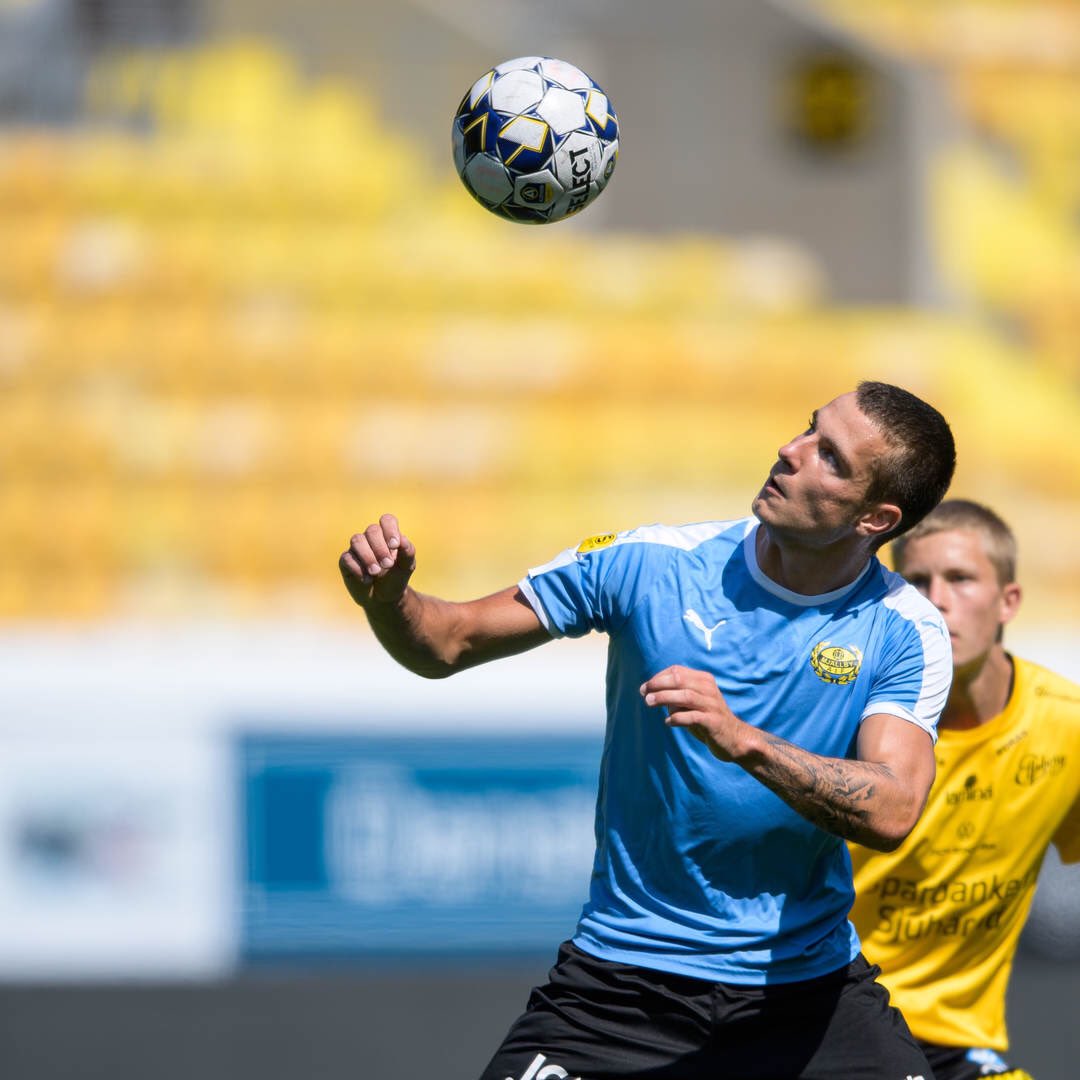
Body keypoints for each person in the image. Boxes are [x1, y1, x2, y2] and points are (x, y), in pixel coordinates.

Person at [340, 381, 957, 1080]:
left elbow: (895, 806)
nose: (789, 451)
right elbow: (447, 642)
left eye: (829, 457)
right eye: (806, 430)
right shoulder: (650, 564)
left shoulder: (906, 630)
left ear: (876, 518)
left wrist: (745, 740)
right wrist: (391, 600)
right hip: (622, 987)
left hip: (808, 995)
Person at [849, 500, 1080, 1080]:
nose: (938, 600)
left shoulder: (1066, 726)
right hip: (829, 1022)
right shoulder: (843, 717)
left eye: (960, 578)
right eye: (917, 582)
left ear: (1009, 602)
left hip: (954, 1043)